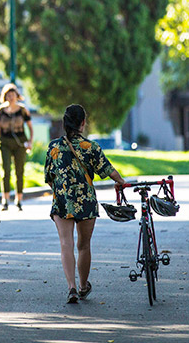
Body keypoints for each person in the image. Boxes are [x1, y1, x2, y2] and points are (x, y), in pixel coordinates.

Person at [44, 104, 126, 303]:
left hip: (63, 201)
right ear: (82, 123)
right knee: (84, 245)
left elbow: (48, 177)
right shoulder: (91, 147)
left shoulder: (54, 147)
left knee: (66, 243)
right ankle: (82, 286)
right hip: (86, 202)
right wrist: (122, 182)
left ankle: (71, 287)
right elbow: (108, 170)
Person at [0, 83, 34, 210]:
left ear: (17, 96)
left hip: (20, 143)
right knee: (5, 170)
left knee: (19, 170)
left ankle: (19, 199)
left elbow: (30, 128)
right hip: (4, 142)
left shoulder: (23, 110)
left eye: (13, 94)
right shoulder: (0, 111)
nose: (11, 97)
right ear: (5, 97)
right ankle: (5, 200)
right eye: (8, 95)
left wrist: (30, 142)